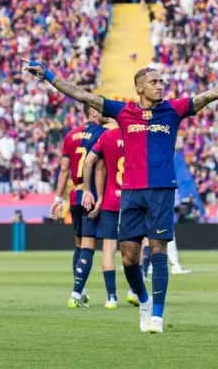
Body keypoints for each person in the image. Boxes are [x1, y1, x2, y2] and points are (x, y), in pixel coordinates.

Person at [31, 48, 218, 333]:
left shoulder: (174, 110)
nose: (160, 86)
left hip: (161, 191)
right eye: (154, 82)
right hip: (131, 193)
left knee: (158, 249)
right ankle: (144, 300)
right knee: (128, 256)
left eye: (161, 82)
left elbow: (214, 93)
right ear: (139, 87)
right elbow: (82, 95)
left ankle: (157, 315)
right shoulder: (123, 112)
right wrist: (47, 75)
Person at [54, 105, 108, 308]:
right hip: (91, 195)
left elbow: (64, 170)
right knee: (88, 245)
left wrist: (57, 199)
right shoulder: (104, 134)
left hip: (75, 196)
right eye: (101, 108)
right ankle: (76, 294)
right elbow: (103, 167)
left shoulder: (70, 135)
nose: (106, 111)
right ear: (93, 111)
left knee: (78, 244)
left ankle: (81, 289)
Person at [82, 120, 127, 309]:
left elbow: (90, 163)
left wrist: (92, 193)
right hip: (133, 200)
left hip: (111, 200)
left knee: (108, 248)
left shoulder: (106, 136)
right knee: (139, 244)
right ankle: (135, 291)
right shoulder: (136, 134)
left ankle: (111, 296)